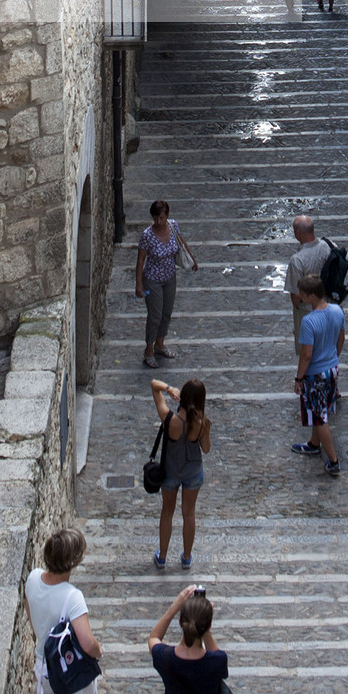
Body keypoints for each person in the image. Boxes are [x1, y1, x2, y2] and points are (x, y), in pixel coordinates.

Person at [23, 526, 102, 694]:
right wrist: (98, 651)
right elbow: (87, 642)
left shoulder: (33, 579)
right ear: (74, 561)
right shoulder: (72, 597)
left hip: (43, 667)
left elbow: (32, 619)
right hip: (69, 674)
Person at [152, 376, 211, 568]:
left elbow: (154, 386)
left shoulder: (169, 419)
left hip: (170, 471)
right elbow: (207, 449)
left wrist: (169, 388)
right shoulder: (202, 423)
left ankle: (162, 557)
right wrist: (206, 431)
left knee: (167, 512)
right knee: (189, 513)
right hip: (193, 472)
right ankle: (186, 557)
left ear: (182, 397)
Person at [292, 276, 345, 476]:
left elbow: (306, 355)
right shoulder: (337, 311)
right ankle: (314, 444)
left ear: (311, 296)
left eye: (303, 295)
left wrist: (299, 378)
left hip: (315, 374)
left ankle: (333, 460)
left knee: (319, 416)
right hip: (332, 369)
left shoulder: (309, 322)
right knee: (320, 410)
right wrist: (333, 358)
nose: (300, 297)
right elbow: (341, 338)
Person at [136, 199, 197, 369]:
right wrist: (139, 284)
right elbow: (141, 260)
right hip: (152, 280)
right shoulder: (147, 235)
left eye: (161, 218)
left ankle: (160, 344)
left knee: (166, 313)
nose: (158, 221)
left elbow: (181, 242)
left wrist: (192, 259)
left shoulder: (173, 226)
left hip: (170, 277)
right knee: (155, 315)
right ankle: (149, 349)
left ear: (167, 216)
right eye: (156, 218)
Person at [285, 213, 331, 346]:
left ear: (298, 232)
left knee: (308, 350)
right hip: (328, 306)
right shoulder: (328, 246)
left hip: (307, 311)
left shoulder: (297, 260)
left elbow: (295, 296)